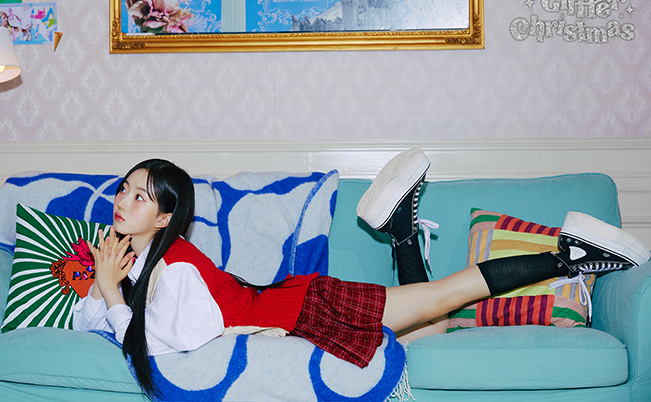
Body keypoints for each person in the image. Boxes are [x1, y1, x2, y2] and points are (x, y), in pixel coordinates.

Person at [74, 153, 649, 399]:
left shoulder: (173, 267)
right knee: (433, 327)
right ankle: (401, 230)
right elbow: (93, 323)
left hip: (302, 310)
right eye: (123, 189)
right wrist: (105, 288)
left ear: (166, 218)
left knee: (443, 295)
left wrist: (110, 291)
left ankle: (568, 256)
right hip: (295, 308)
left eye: (140, 196)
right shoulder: (140, 263)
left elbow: (180, 337)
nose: (122, 200)